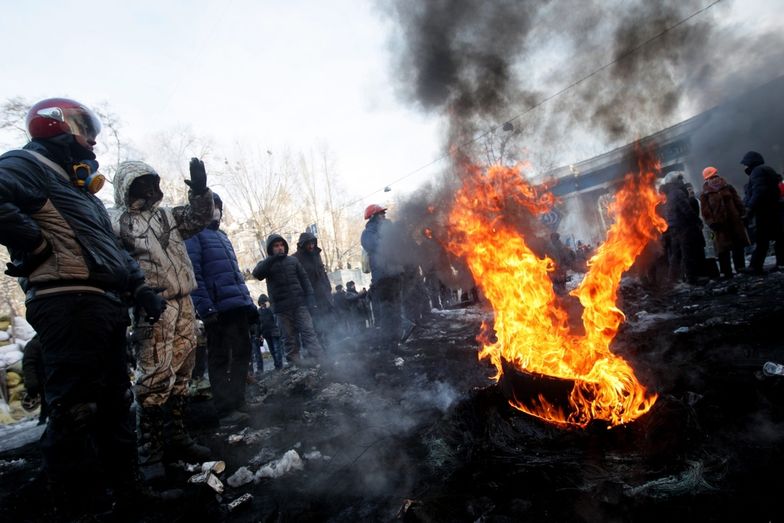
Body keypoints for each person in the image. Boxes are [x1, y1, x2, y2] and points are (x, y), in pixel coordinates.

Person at [0, 98, 167, 513]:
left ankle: (129, 495)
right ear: (53, 125)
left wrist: (140, 287)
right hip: (65, 302)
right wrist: (33, 242)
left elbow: (109, 249)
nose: (92, 139)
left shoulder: (82, 192)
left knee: (115, 405)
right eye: (83, 128)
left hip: (101, 305)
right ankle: (79, 507)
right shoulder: (28, 165)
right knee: (77, 408)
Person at [111, 158, 214, 480]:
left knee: (183, 372)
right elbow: (115, 264)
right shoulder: (118, 222)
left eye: (153, 181)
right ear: (127, 187)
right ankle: (150, 453)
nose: (152, 188)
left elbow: (199, 217)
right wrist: (134, 294)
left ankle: (179, 438)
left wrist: (199, 190)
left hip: (184, 302)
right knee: (154, 376)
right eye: (143, 182)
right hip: (152, 306)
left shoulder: (166, 216)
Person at [185, 193, 255, 425]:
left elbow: (235, 275)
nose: (217, 211)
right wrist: (205, 307)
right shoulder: (194, 235)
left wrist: (248, 303)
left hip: (236, 305)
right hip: (217, 309)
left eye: (219, 207)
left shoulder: (223, 237)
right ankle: (225, 409)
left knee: (243, 352)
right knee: (220, 357)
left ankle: (238, 400)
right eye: (213, 206)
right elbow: (194, 273)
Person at [252, 234, 324, 365]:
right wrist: (271, 259)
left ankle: (319, 362)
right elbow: (257, 274)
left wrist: (311, 299)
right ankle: (296, 366)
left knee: (309, 333)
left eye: (281, 245)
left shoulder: (293, 261)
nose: (280, 248)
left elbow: (305, 281)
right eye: (276, 246)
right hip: (281, 309)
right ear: (270, 248)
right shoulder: (267, 264)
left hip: (300, 305)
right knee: (289, 339)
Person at [360, 204, 404, 350]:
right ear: (373, 217)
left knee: (397, 309)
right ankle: (388, 343)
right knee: (386, 312)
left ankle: (397, 340)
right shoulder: (367, 234)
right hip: (382, 278)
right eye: (381, 214)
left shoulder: (387, 229)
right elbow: (379, 247)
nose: (384, 217)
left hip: (394, 276)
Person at [699, 166, 749, 278]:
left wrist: (743, 214)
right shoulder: (705, 194)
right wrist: (711, 223)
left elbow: (737, 201)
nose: (714, 179)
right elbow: (705, 212)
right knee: (723, 249)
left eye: (716, 176)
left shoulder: (728, 187)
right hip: (719, 225)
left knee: (738, 246)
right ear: (707, 180)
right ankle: (726, 272)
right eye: (711, 178)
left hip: (734, 221)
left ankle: (740, 268)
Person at [740, 151, 784, 274]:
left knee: (761, 240)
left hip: (764, 211)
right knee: (779, 238)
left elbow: (758, 192)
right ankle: (781, 263)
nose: (744, 167)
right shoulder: (766, 170)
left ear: (750, 163)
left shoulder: (757, 172)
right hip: (774, 209)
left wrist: (749, 208)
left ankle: (755, 266)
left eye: (745, 164)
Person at [659, 173, 706, 285]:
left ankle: (673, 280)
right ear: (676, 181)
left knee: (676, 254)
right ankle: (691, 278)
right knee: (687, 252)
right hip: (683, 226)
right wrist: (697, 221)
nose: (682, 182)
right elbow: (686, 209)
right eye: (680, 180)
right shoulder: (677, 193)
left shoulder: (669, 194)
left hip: (674, 227)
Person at [292, 231, 334, 344]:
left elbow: (323, 273)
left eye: (313, 243)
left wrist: (328, 288)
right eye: (308, 244)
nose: (311, 246)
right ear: (302, 245)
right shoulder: (295, 259)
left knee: (329, 325)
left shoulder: (317, 255)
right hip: (310, 299)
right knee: (316, 328)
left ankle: (332, 349)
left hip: (324, 297)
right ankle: (319, 352)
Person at [257, 294, 284, 370]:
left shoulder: (271, 309)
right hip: (266, 333)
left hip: (274, 332)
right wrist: (259, 334)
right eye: (261, 303)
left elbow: (276, 318)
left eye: (264, 303)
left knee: (277, 349)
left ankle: (279, 366)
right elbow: (259, 324)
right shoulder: (258, 312)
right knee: (272, 350)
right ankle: (277, 365)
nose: (262, 305)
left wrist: (269, 307)